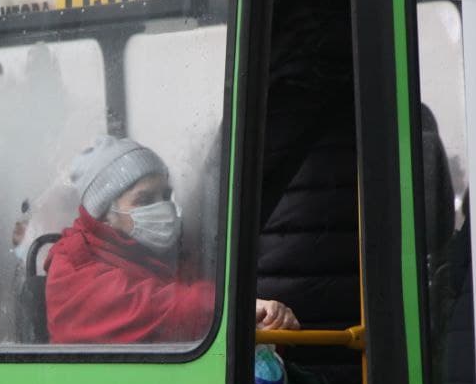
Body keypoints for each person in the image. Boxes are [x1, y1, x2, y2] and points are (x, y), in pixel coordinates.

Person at [46, 134, 298, 343]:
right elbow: (152, 310)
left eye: (166, 196)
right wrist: (235, 309)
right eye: (144, 200)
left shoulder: (163, 253)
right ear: (104, 215)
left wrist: (268, 323)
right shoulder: (73, 263)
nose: (163, 207)